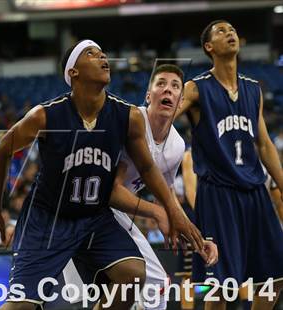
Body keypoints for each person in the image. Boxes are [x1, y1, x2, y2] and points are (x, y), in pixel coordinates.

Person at [0, 40, 205, 310]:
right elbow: (1, 152)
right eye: (92, 54)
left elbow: (148, 169)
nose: (103, 58)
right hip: (48, 219)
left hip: (94, 216)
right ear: (73, 73)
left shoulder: (127, 116)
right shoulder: (45, 116)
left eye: (104, 54)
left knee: (132, 275)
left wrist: (172, 211)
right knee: (21, 306)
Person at [63, 64, 218, 310]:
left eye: (175, 87)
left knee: (134, 289)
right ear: (148, 96)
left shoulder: (176, 145)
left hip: (109, 214)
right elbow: (111, 191)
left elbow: (166, 198)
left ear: (180, 103)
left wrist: (198, 238)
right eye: (161, 84)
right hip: (86, 206)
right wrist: (157, 213)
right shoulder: (133, 123)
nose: (168, 90)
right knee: (150, 284)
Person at [176, 20, 283, 310]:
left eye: (233, 29)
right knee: (220, 286)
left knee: (274, 276)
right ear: (208, 47)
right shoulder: (196, 88)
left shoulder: (253, 90)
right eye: (221, 31)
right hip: (219, 194)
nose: (230, 33)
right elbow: (165, 117)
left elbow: (263, 144)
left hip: (254, 191)